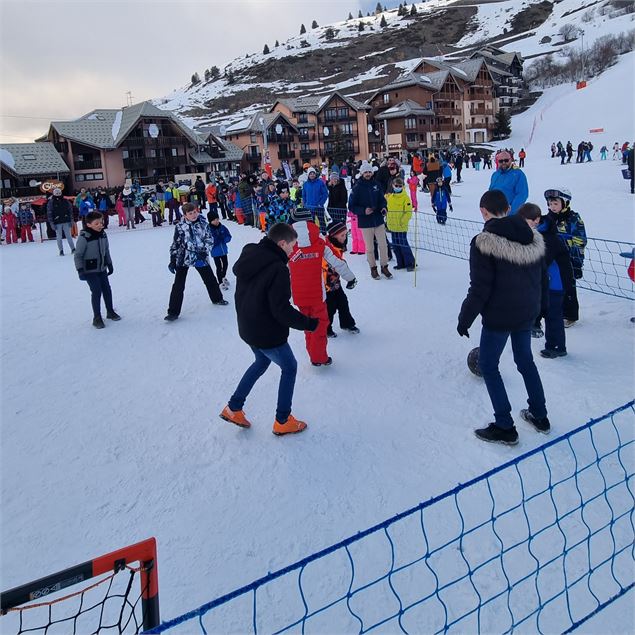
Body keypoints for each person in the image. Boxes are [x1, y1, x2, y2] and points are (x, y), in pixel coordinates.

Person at [457, 189, 549, 445]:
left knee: (488, 365)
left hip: (500, 316)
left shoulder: (483, 242)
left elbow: (480, 288)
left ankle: (504, 426)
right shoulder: (532, 237)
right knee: (525, 360)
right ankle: (540, 415)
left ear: (483, 212)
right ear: (508, 209)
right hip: (526, 312)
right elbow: (542, 277)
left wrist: (465, 319)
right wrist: (540, 310)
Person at [220, 222, 319, 435]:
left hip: (248, 327)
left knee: (262, 360)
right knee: (290, 367)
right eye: (292, 246)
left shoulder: (252, 252)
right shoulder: (277, 269)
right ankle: (283, 420)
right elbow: (281, 310)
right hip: (266, 332)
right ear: (282, 243)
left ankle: (234, 407)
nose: (294, 251)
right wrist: (309, 324)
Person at [288, 208, 356, 366]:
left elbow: (280, 267)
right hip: (318, 294)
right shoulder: (319, 240)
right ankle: (319, 357)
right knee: (320, 324)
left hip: (298, 294)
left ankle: (314, 355)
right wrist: (350, 278)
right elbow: (337, 261)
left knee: (307, 325)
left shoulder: (287, 242)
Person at [518, 203, 574, 358]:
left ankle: (557, 347)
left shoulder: (548, 238)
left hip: (556, 283)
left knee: (553, 315)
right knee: (548, 312)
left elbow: (541, 262)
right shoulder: (536, 234)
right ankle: (551, 343)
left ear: (536, 221)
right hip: (547, 282)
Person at [164, 203, 228, 321]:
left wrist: (204, 251)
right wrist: (172, 260)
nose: (193, 215)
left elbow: (210, 240)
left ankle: (217, 298)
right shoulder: (180, 226)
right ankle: (173, 312)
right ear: (185, 215)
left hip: (200, 257)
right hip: (184, 257)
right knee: (178, 285)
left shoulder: (204, 224)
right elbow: (176, 244)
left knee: (210, 279)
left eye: (195, 212)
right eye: (190, 213)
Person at [545, 188, 586, 327]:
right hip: (552, 259)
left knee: (569, 286)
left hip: (569, 259)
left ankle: (570, 315)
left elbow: (580, 240)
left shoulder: (573, 218)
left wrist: (577, 261)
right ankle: (554, 310)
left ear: (565, 203)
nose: (552, 207)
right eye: (550, 204)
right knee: (554, 285)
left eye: (555, 204)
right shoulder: (548, 219)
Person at [74, 211, 120, 329]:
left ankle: (110, 311)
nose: (100, 225)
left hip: (102, 268)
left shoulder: (103, 235)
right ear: (89, 225)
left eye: (101, 222)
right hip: (89, 270)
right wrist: (80, 270)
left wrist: (109, 263)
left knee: (107, 290)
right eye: (97, 223)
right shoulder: (84, 237)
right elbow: (78, 255)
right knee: (96, 291)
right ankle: (97, 317)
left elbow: (107, 250)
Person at [348, 161, 391, 280]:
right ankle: (373, 268)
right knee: (370, 248)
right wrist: (363, 211)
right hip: (365, 222)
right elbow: (351, 206)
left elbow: (382, 200)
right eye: (365, 172)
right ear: (362, 173)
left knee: (383, 245)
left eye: (369, 172)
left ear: (372, 173)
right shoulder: (357, 187)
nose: (367, 174)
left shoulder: (376, 184)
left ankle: (384, 266)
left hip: (378, 219)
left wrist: (384, 207)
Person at [324, 220, 359, 337]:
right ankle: (326, 329)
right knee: (330, 308)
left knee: (343, 303)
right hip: (325, 285)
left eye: (345, 234)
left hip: (335, 282)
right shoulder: (327, 248)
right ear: (333, 235)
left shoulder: (338, 245)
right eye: (342, 235)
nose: (345, 238)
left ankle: (347, 323)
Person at [385, 177, 415, 271]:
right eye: (396, 186)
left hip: (401, 226)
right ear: (393, 186)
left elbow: (408, 212)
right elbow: (388, 210)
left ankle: (410, 263)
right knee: (395, 245)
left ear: (402, 186)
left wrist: (403, 222)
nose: (398, 187)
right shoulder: (390, 198)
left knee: (403, 245)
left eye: (400, 186)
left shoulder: (405, 198)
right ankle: (400, 263)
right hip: (392, 226)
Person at [488, 150, 528, 215]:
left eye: (506, 160)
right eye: (501, 161)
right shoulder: (495, 175)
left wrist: (510, 212)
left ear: (511, 160)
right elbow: (490, 192)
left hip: (510, 215)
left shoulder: (518, 174)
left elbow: (522, 195)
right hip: (495, 213)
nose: (503, 162)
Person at [46, 188, 75, 255]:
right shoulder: (51, 202)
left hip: (66, 221)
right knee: (59, 237)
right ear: (54, 194)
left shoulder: (66, 201)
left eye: (59, 193)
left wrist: (71, 220)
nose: (58, 194)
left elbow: (70, 211)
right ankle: (61, 250)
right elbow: (49, 213)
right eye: (56, 193)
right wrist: (51, 223)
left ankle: (73, 248)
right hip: (57, 222)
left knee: (69, 236)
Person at [302, 167, 329, 233]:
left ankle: (324, 235)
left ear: (315, 174)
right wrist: (305, 204)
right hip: (309, 207)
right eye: (310, 174)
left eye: (313, 173)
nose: (312, 175)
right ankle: (313, 235)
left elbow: (325, 194)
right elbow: (304, 195)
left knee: (322, 223)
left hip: (319, 207)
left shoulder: (320, 182)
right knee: (311, 224)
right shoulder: (305, 184)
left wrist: (321, 203)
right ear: (308, 175)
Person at [209, 213, 232, 290]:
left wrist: (225, 239)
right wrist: (217, 240)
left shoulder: (222, 227)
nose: (216, 221)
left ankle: (223, 277)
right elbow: (209, 241)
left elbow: (228, 236)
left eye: (217, 219)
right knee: (219, 266)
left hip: (223, 250)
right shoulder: (209, 229)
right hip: (215, 252)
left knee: (225, 264)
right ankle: (220, 282)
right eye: (214, 220)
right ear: (210, 221)